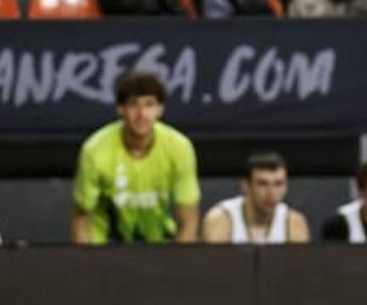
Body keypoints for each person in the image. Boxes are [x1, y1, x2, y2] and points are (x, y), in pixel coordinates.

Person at [72, 71, 201, 245]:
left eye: (149, 105)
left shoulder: (180, 148)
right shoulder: (94, 150)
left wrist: (177, 265)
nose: (141, 114)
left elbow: (189, 219)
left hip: (160, 246)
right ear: (121, 109)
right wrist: (85, 263)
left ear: (160, 109)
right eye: (133, 104)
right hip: (104, 248)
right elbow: (82, 217)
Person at [203, 151, 310, 245]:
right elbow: (216, 265)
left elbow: (299, 267)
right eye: (262, 184)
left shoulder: (293, 222)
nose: (271, 193)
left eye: (278, 184)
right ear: (246, 186)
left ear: (286, 187)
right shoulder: (221, 218)